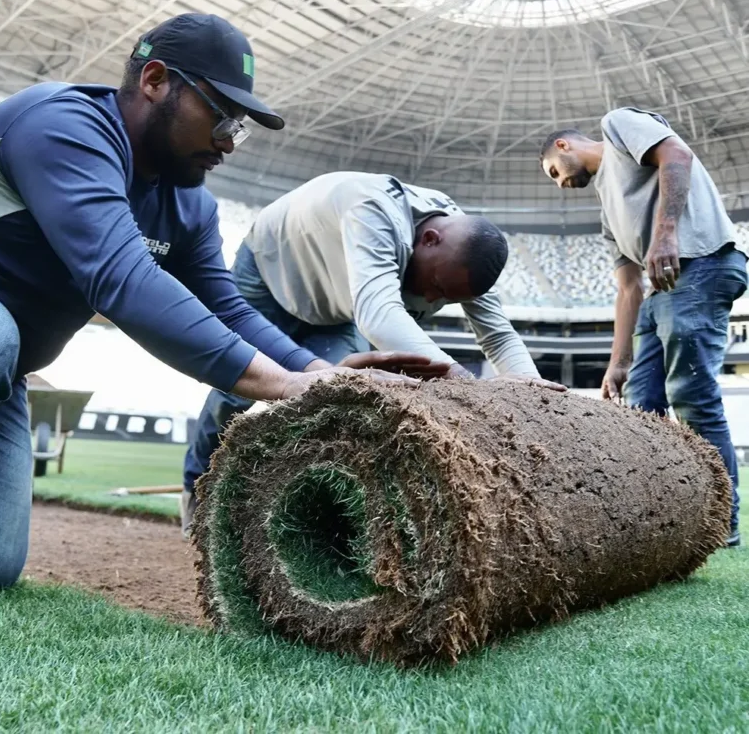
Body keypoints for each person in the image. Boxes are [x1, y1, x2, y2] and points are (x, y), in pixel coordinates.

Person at [0, 13, 422, 589]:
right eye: (221, 115)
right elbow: (123, 281)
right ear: (155, 80)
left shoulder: (191, 207)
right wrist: (285, 386)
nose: (228, 143)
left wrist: (322, 373)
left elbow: (229, 310)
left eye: (239, 127)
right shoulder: (63, 124)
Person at [183, 170, 563, 529]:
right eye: (436, 285)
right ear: (429, 238)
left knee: (332, 395)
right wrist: (463, 384)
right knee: (234, 393)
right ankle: (195, 489)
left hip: (335, 308)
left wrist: (527, 388)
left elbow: (497, 334)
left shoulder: (468, 252)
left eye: (446, 298)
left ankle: (303, 510)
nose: (431, 299)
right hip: (269, 274)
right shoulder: (372, 208)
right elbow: (378, 315)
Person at [540, 107, 746, 547]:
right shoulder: (606, 209)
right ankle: (660, 519)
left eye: (554, 171)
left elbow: (677, 154)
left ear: (564, 145)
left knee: (692, 395)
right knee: (640, 409)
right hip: (659, 292)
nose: (559, 183)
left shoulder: (617, 126)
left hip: (702, 264)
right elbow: (629, 288)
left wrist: (666, 234)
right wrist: (618, 361)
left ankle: (720, 523)